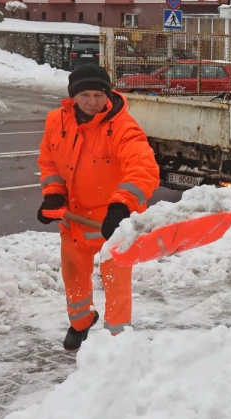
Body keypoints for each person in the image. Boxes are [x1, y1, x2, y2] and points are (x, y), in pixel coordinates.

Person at [37, 65, 159, 351]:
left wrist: (121, 206)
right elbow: (50, 162)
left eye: (98, 94)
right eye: (85, 95)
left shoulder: (122, 127)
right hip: (75, 218)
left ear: (108, 94)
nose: (93, 102)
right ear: (72, 97)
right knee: (73, 275)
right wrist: (53, 194)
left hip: (112, 221)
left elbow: (143, 168)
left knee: (116, 282)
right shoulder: (57, 121)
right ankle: (80, 323)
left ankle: (116, 339)